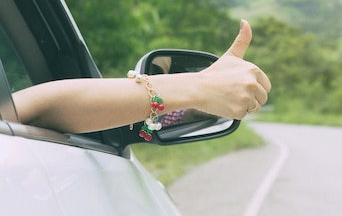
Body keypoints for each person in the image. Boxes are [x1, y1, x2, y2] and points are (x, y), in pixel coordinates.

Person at [11, 19, 271, 134]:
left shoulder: (175, 114)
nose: (161, 80)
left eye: (162, 76)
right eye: (156, 75)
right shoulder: (168, 112)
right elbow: (30, 110)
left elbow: (26, 109)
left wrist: (201, 98)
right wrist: (199, 87)